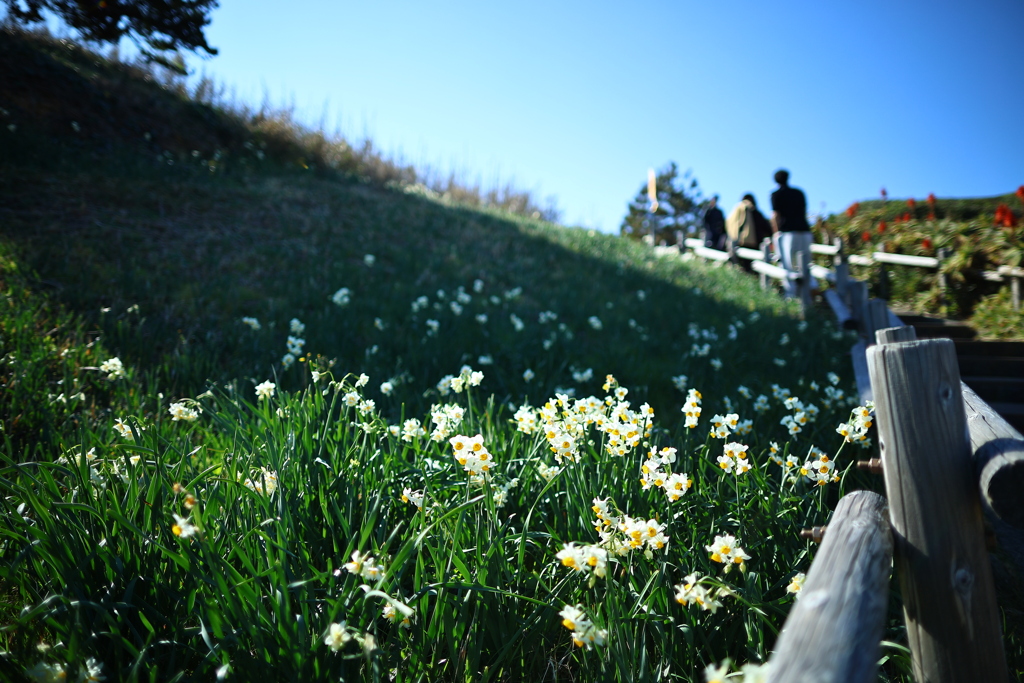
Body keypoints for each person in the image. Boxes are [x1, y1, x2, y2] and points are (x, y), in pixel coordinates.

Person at [770, 170, 816, 298]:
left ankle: (792, 297)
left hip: (788, 234)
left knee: (789, 266)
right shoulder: (799, 193)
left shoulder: (775, 195)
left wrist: (776, 233)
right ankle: (810, 295)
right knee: (806, 265)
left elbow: (776, 215)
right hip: (805, 231)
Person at [726, 194, 772, 270]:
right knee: (754, 268)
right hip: (755, 244)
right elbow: (767, 228)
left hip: (740, 242)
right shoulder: (756, 212)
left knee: (742, 267)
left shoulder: (738, 208)